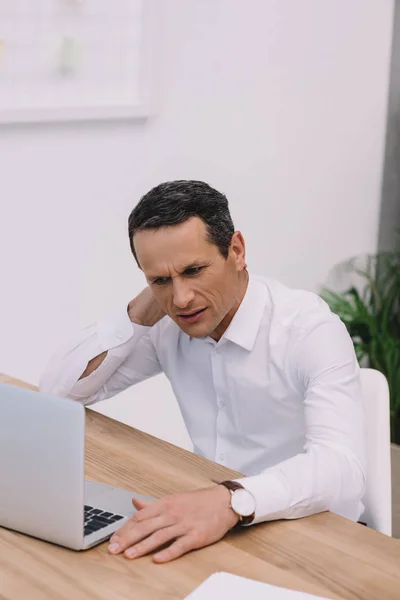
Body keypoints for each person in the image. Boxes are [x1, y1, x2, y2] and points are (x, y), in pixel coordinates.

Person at [40, 180, 366, 564]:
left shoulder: (308, 330)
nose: (180, 299)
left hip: (316, 537)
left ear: (237, 251)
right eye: (160, 280)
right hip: (217, 530)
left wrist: (232, 499)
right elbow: (57, 394)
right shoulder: (168, 322)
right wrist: (140, 313)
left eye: (194, 270)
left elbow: (342, 469)